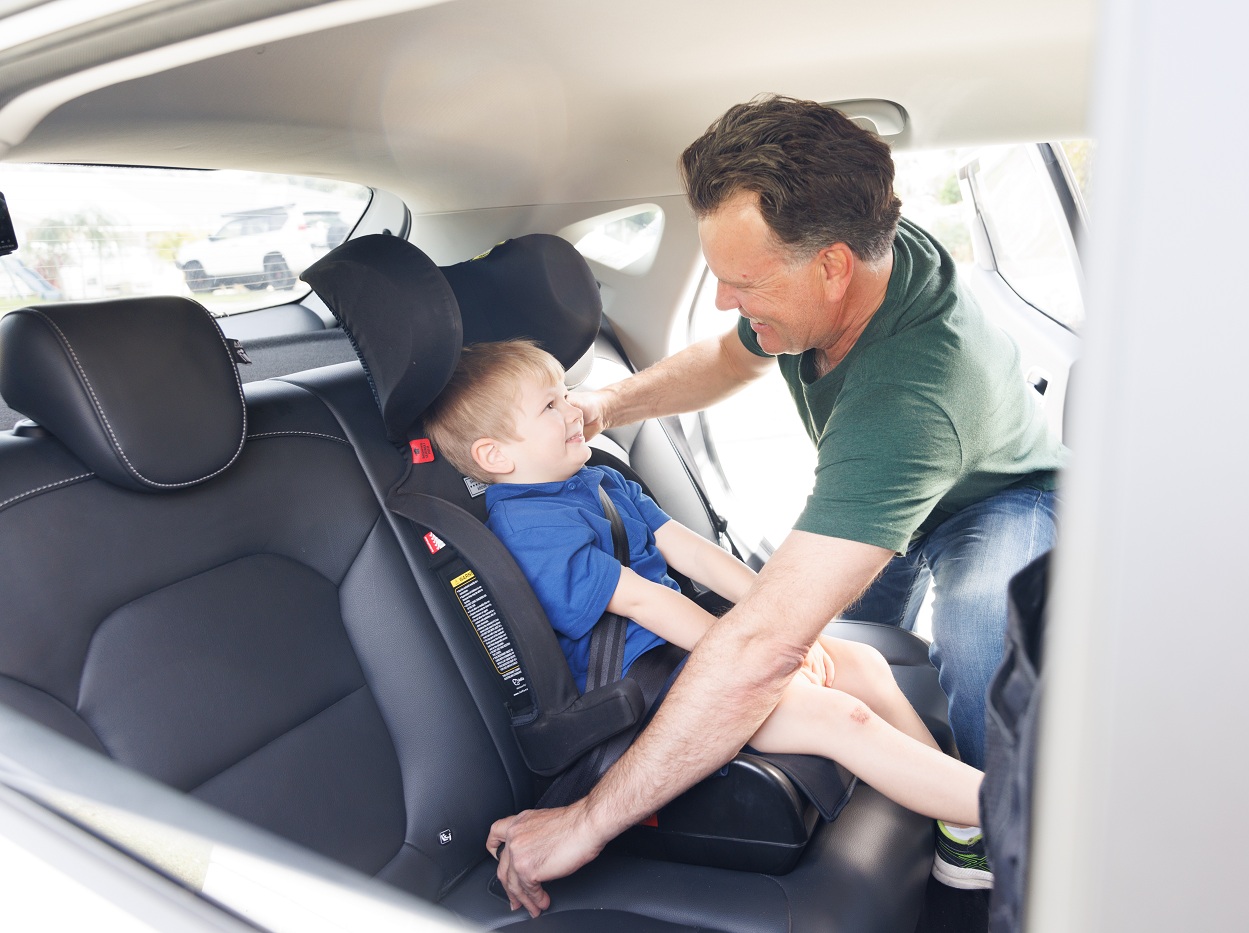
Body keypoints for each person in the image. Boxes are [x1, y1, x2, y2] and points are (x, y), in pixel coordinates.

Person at [481, 95, 1067, 916]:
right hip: (892, 481)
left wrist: (588, 820)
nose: (724, 300)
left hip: (997, 496)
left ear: (833, 267)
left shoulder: (910, 397)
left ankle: (1011, 840)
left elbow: (758, 650)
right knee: (845, 646)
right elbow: (727, 357)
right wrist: (607, 407)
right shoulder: (836, 266)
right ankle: (946, 789)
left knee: (982, 636)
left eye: (742, 281)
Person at [424, 341, 991, 914]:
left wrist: (785, 621)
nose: (574, 408)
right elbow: (646, 603)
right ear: (496, 456)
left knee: (863, 665)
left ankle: (963, 833)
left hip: (690, 656)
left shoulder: (598, 480)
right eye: (550, 406)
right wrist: (757, 654)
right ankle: (1014, 817)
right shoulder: (530, 527)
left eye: (566, 392)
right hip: (646, 691)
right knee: (840, 716)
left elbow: (695, 554)